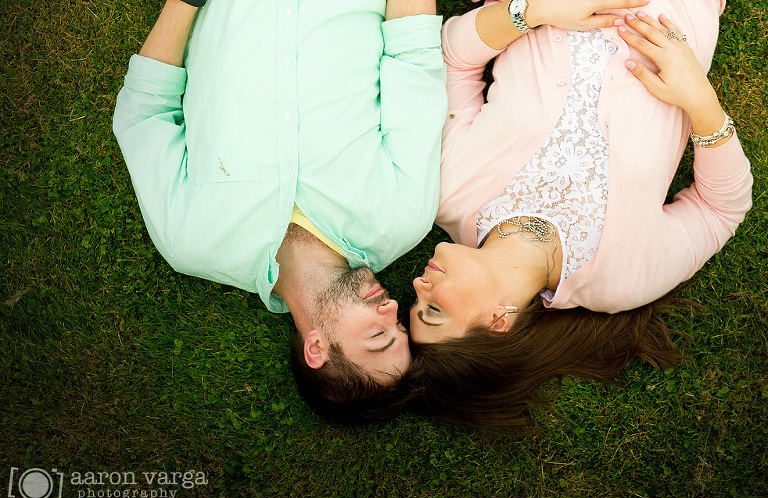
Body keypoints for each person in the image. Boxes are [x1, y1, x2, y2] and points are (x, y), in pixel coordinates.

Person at [407, 0, 753, 428]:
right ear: (498, 321)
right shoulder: (622, 279)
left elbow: (451, 58)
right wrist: (701, 102)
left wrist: (531, 11)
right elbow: (721, 209)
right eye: (433, 309)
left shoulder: (449, 192)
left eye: (415, 301)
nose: (420, 285)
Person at [112, 0, 446, 422]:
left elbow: (145, 114)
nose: (394, 308)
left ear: (316, 347)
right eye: (400, 326)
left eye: (379, 335)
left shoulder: (192, 242)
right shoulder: (404, 216)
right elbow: (412, 57)